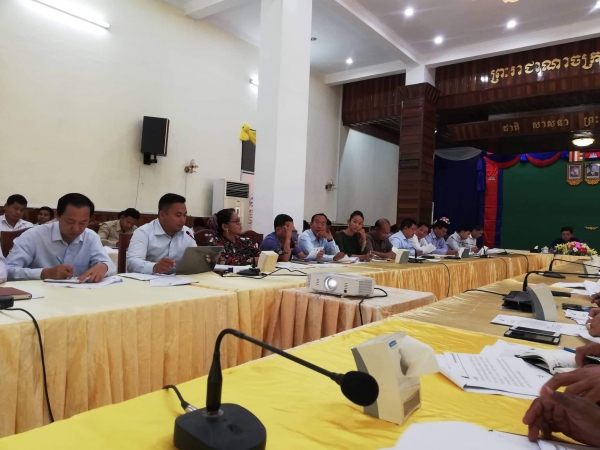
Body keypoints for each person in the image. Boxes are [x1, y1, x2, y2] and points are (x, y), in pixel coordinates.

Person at [6, 193, 116, 281]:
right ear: (57, 216)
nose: (76, 229)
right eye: (70, 222)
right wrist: (45, 273)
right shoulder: (34, 235)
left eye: (83, 223)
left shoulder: (91, 237)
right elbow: (8, 270)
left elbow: (109, 265)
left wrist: (104, 266)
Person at [127, 194, 196, 274]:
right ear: (162, 215)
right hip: (150, 279)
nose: (183, 220)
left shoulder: (187, 232)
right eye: (178, 215)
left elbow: (195, 258)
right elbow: (132, 262)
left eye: (184, 215)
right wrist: (154, 267)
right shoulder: (144, 232)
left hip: (180, 278)